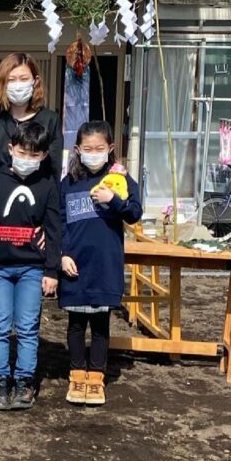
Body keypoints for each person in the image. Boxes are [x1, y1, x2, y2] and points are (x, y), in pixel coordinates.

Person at [0, 53, 63, 396]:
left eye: (25, 78)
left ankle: (25, 374)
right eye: (12, 78)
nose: (19, 85)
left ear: (36, 81)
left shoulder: (50, 121)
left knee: (27, 314)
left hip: (33, 231)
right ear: (2, 82)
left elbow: (53, 176)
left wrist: (44, 226)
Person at [0, 121, 60, 411]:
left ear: (44, 155)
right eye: (22, 152)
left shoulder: (47, 185)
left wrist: (51, 271)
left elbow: (53, 229)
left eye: (34, 155)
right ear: (11, 149)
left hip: (32, 269)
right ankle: (0, 380)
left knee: (27, 327)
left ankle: (24, 381)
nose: (27, 159)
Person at [59, 120, 142, 407]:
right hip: (75, 264)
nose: (93, 153)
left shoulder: (120, 180)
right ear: (78, 149)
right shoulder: (69, 182)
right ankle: (76, 374)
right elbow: (58, 222)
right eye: (88, 148)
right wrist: (62, 254)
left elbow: (134, 213)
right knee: (75, 323)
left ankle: (96, 378)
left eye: (99, 148)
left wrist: (114, 200)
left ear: (110, 149)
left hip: (105, 264)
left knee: (101, 323)